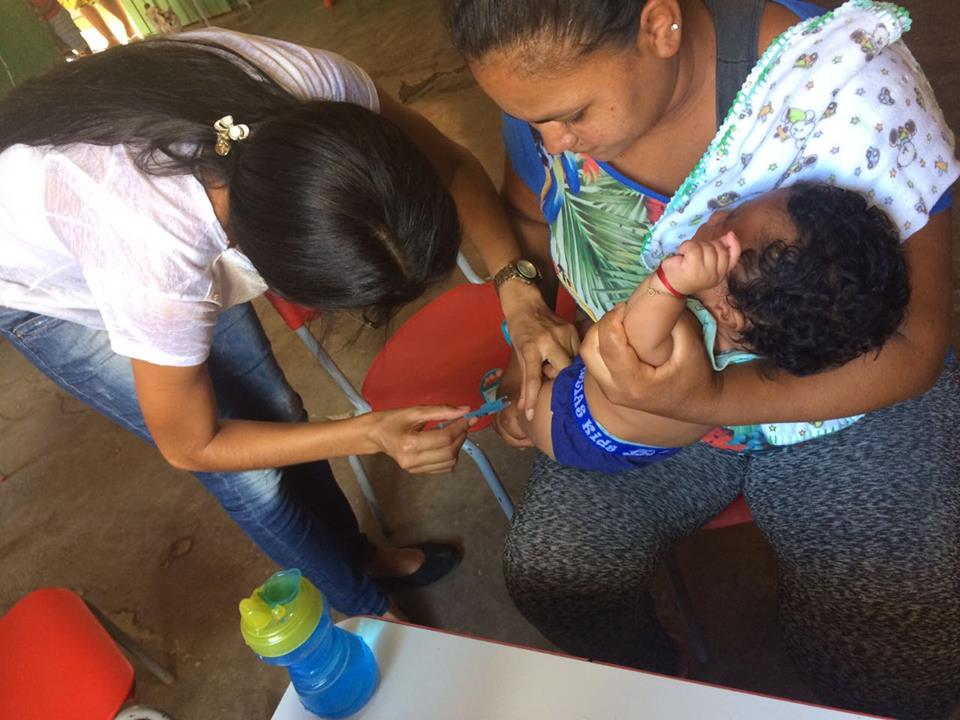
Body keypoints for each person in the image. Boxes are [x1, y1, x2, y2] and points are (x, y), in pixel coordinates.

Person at [443, 0, 960, 717]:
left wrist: (708, 399)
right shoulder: (542, 101)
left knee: (899, 653)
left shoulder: (843, 89)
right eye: (529, 120)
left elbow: (913, 350)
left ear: (660, 25)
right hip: (642, 385)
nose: (552, 143)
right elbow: (532, 216)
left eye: (572, 115)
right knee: (556, 573)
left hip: (849, 392)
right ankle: (657, 679)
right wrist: (528, 316)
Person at [0, 28, 536, 620]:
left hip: (130, 213)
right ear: (260, 262)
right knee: (254, 479)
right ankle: (369, 611)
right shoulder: (158, 255)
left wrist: (520, 293)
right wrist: (369, 433)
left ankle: (358, 557)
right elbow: (193, 444)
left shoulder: (323, 91)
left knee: (275, 409)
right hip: (38, 283)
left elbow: (451, 164)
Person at [521, 184, 909, 472]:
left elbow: (628, 345)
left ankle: (514, 420)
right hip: (634, 441)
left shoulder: (685, 338)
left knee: (529, 408)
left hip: (572, 426)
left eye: (728, 231)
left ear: (727, 310)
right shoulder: (761, 355)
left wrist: (669, 284)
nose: (716, 217)